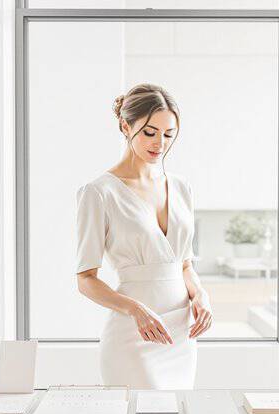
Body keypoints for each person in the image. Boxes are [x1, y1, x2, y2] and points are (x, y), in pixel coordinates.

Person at [75, 83, 213, 389]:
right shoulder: (99, 192)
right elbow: (86, 280)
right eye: (150, 132)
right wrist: (135, 310)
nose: (159, 143)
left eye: (168, 134)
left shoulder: (181, 188)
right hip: (133, 334)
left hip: (181, 334)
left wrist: (201, 295)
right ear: (126, 126)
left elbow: (184, 265)